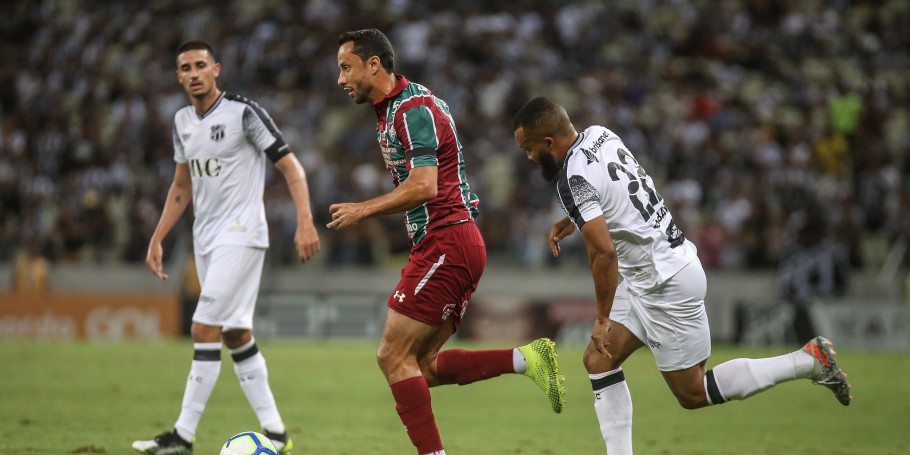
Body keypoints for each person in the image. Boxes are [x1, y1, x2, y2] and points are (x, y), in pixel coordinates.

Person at [511, 97, 852, 454]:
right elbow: (619, 190)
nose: (530, 157)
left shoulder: (571, 179)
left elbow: (604, 253)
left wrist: (601, 318)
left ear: (548, 142)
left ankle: (808, 361)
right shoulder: (600, 135)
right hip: (655, 270)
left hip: (663, 283)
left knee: (693, 392)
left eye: (529, 148)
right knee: (598, 360)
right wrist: (575, 218)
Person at [330, 29, 564, 455]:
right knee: (420, 366)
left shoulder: (411, 109)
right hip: (448, 242)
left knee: (391, 356)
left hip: (447, 240)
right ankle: (526, 359)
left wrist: (363, 210)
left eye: (347, 68)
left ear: (374, 64)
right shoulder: (397, 107)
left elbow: (425, 186)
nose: (341, 79)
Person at [132, 40, 320, 455]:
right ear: (179, 76)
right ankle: (276, 433)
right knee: (235, 333)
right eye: (186, 68)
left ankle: (182, 435)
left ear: (216, 69)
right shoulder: (182, 120)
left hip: (242, 233)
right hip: (206, 238)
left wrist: (305, 221)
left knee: (203, 328)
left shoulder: (243, 114)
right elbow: (182, 185)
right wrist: (158, 236)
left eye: (201, 65)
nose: (194, 73)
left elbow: (292, 168)